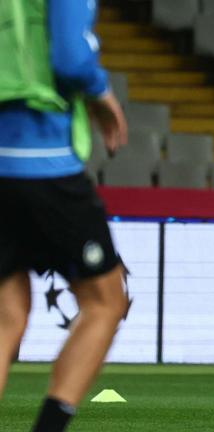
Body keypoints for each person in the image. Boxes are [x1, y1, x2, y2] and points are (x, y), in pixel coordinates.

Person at [0, 0, 129, 431]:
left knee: (6, 314)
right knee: (106, 303)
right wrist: (101, 92)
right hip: (43, 164)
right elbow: (71, 60)